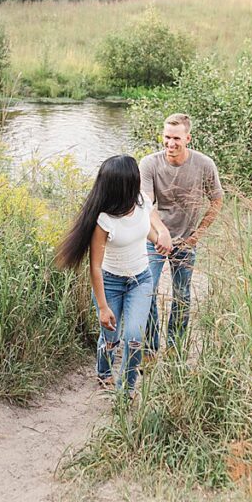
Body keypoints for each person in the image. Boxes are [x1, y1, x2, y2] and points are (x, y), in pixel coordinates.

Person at [57, 155, 172, 395]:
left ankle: (126, 389)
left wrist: (158, 239)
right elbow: (95, 266)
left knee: (133, 337)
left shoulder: (142, 202)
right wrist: (102, 307)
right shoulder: (103, 220)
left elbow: (143, 231)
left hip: (141, 280)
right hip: (110, 283)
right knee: (110, 337)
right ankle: (104, 371)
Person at [140, 113, 223, 353]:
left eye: (176, 138)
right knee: (148, 291)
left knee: (181, 294)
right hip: (154, 238)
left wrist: (197, 235)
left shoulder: (204, 164)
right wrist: (161, 232)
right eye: (167, 137)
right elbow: (145, 204)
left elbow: (217, 200)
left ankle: (175, 347)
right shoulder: (150, 163)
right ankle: (150, 348)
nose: (170, 143)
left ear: (188, 138)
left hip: (187, 242)